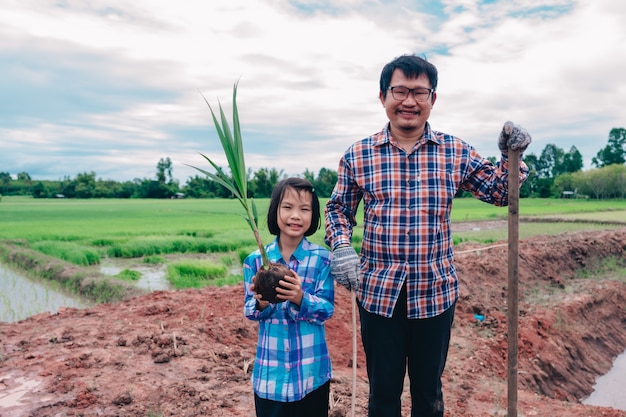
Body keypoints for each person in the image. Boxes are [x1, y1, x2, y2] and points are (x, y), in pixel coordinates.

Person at [324, 54, 531, 417]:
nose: (409, 101)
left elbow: (501, 192)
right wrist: (341, 246)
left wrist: (510, 156)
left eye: (419, 92)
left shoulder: (454, 152)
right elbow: (338, 209)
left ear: (433, 99)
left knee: (429, 393)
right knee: (383, 394)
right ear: (382, 97)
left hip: (434, 294)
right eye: (399, 91)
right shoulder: (359, 156)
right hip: (378, 295)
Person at [244, 177, 334, 417]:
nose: (296, 215)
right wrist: (261, 301)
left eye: (305, 209)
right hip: (270, 375)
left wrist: (300, 297)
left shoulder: (322, 259)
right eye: (287, 207)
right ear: (275, 211)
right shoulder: (255, 261)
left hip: (310, 375)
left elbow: (326, 310)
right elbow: (249, 311)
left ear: (313, 216)